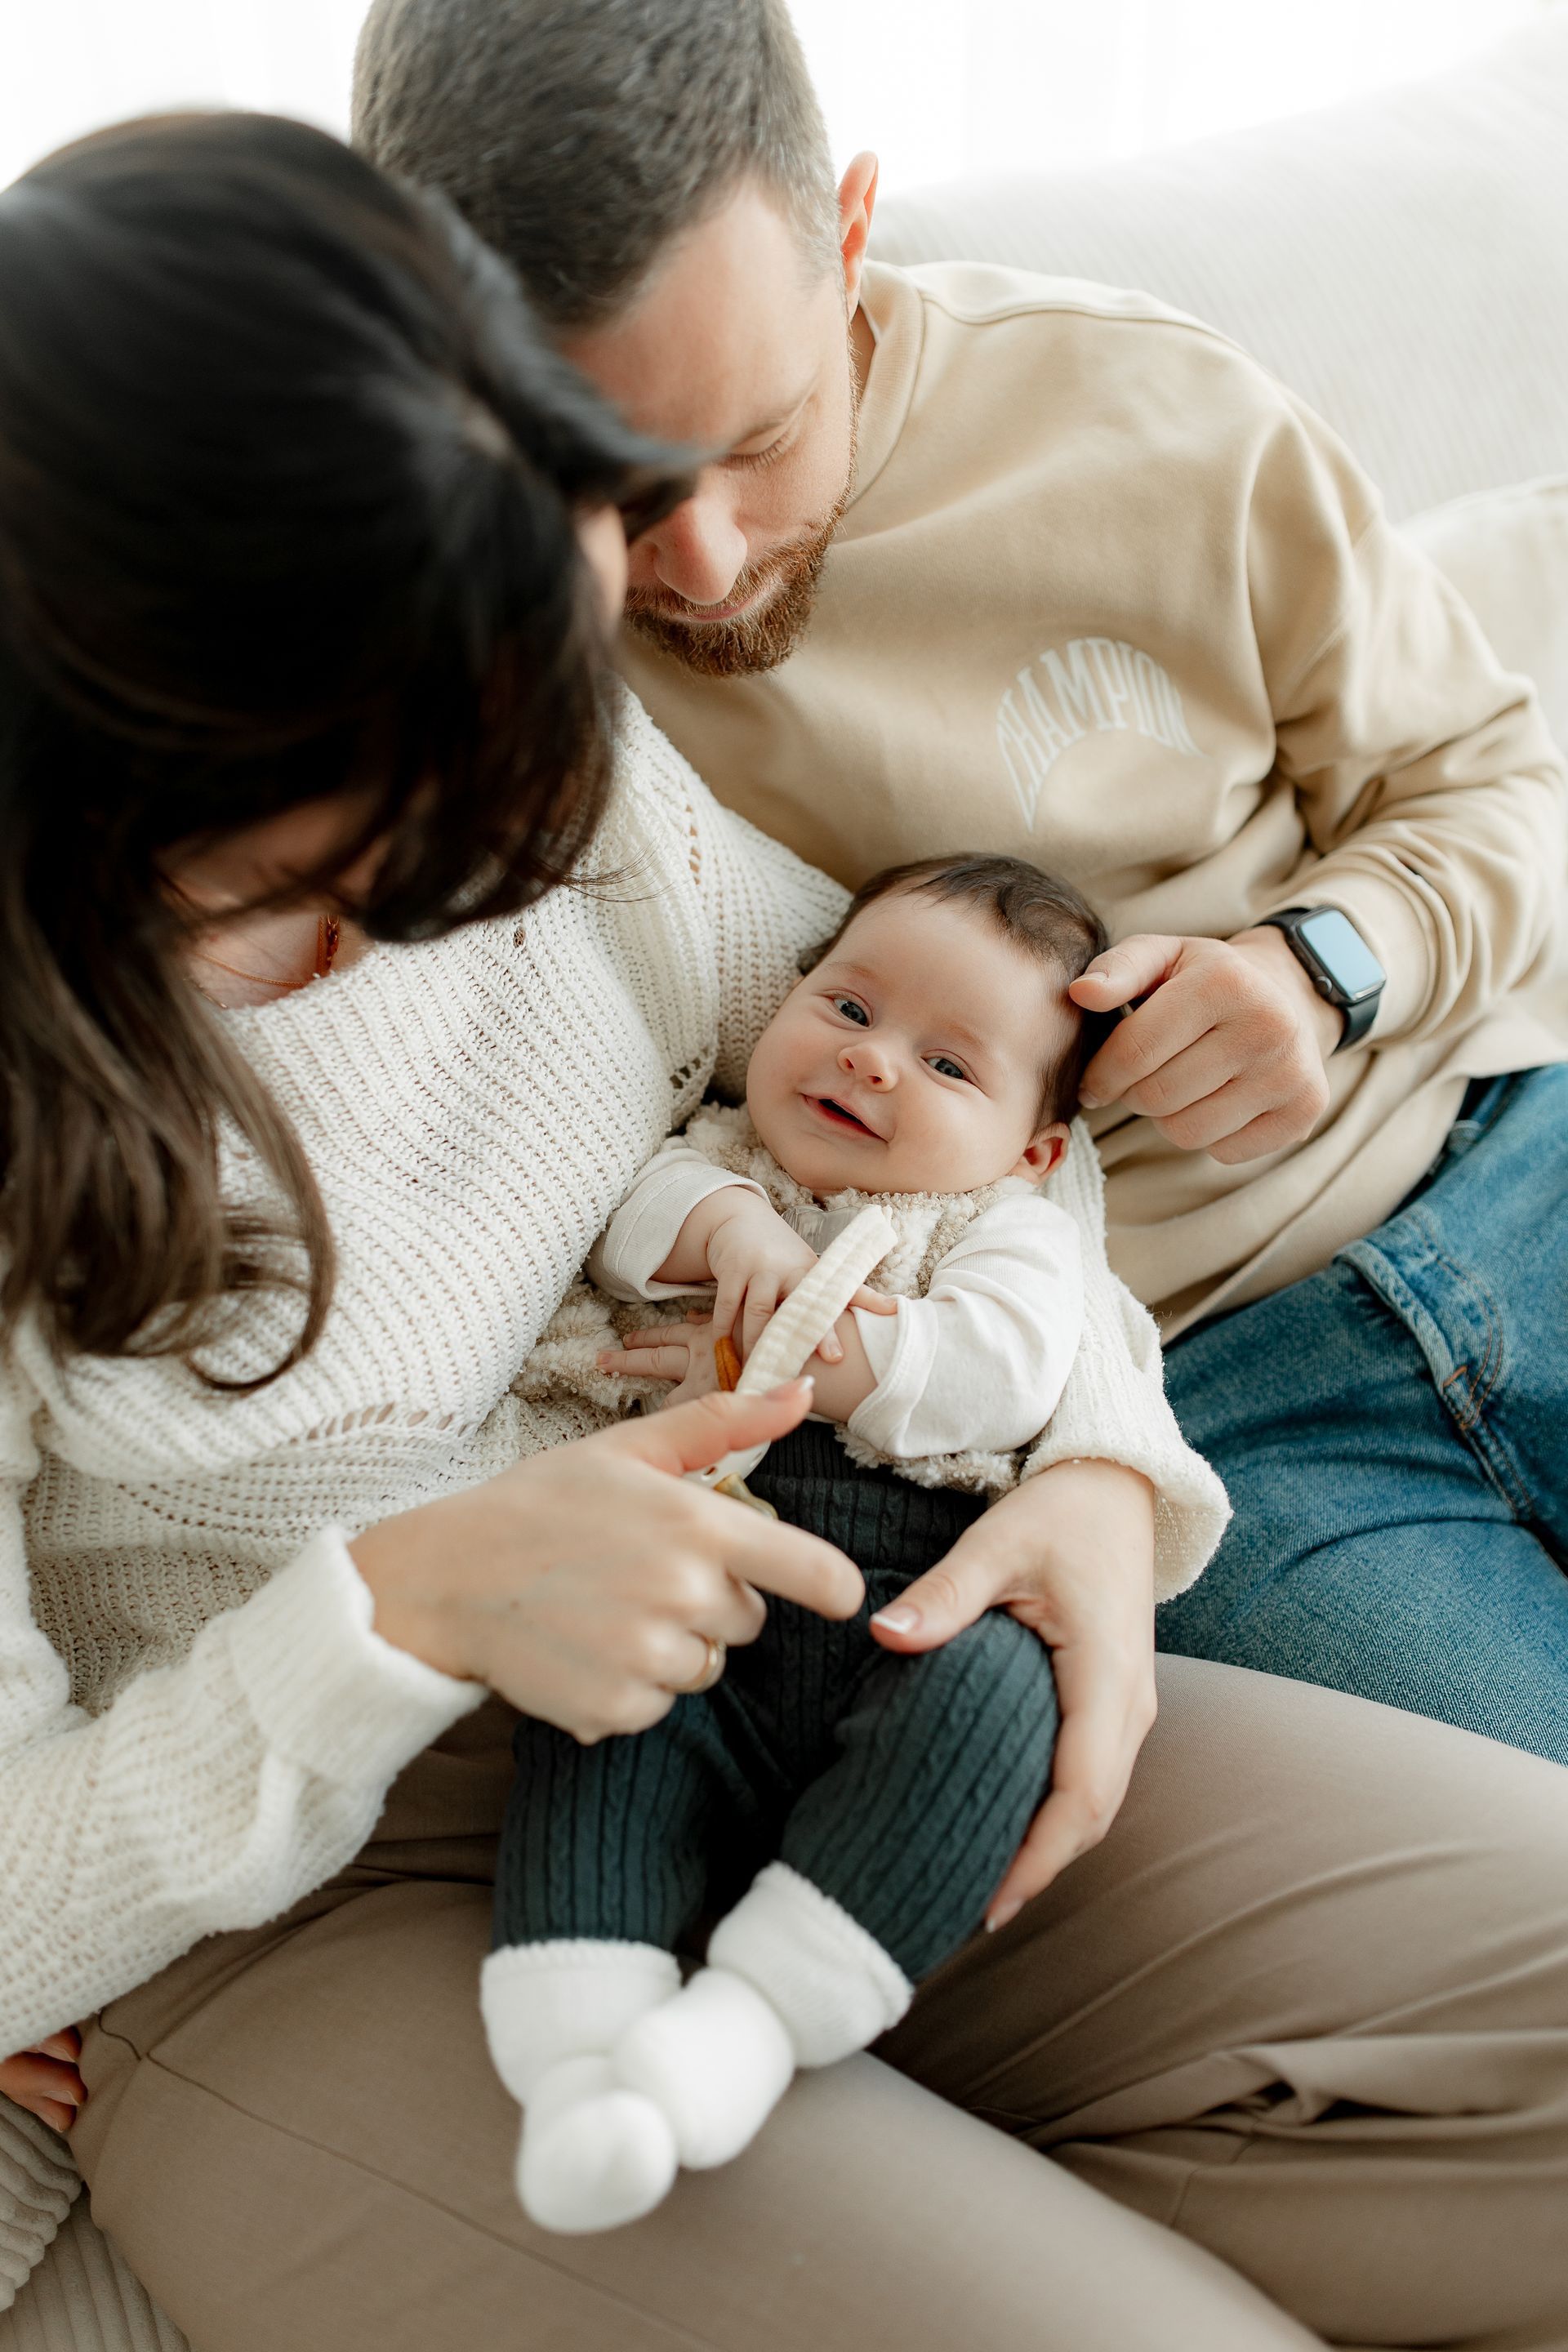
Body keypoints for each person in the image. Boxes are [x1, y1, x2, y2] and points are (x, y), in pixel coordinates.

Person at [2, 108, 1568, 2352]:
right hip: (318, 1903)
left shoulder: (542, 771)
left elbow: (965, 1105)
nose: (431, 919)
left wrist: (1111, 1471)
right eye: (311, 886)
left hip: (838, 1646)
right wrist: (394, 1607)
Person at [352, 0, 1568, 1774]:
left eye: (757, 439)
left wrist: (1330, 965)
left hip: (1507, 1142)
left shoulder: (1149, 414)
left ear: (847, 230)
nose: (695, 562)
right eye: (595, 476)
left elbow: (1490, 773)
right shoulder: (433, 677)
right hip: (1199, 1410)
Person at [487, 853, 1227, 2234]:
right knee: (605, 1709)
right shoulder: (724, 1162)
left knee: (1005, 1700)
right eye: (848, 1007)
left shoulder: (1003, 1229)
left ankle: (755, 2021)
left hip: (916, 1592)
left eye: (951, 1067)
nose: (873, 1064)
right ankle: (579, 2024)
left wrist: (815, 1339)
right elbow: (635, 1223)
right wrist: (732, 1228)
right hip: (701, 1568)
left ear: (1034, 1148)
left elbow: (1002, 1373)